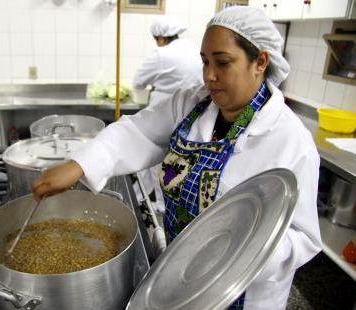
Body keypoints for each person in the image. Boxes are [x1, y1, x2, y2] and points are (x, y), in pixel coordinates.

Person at [33, 6, 321, 309]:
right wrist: (80, 164)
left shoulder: (290, 141)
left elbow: (302, 238)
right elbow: (138, 132)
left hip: (240, 294)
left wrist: (233, 252)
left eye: (223, 62)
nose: (210, 75)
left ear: (260, 61)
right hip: (178, 277)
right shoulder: (193, 104)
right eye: (205, 61)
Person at [133, 16, 204, 212]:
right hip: (194, 113)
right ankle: (168, 206)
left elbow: (138, 81)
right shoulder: (193, 49)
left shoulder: (161, 54)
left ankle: (156, 207)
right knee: (180, 161)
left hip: (163, 109)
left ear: (161, 38)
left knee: (157, 160)